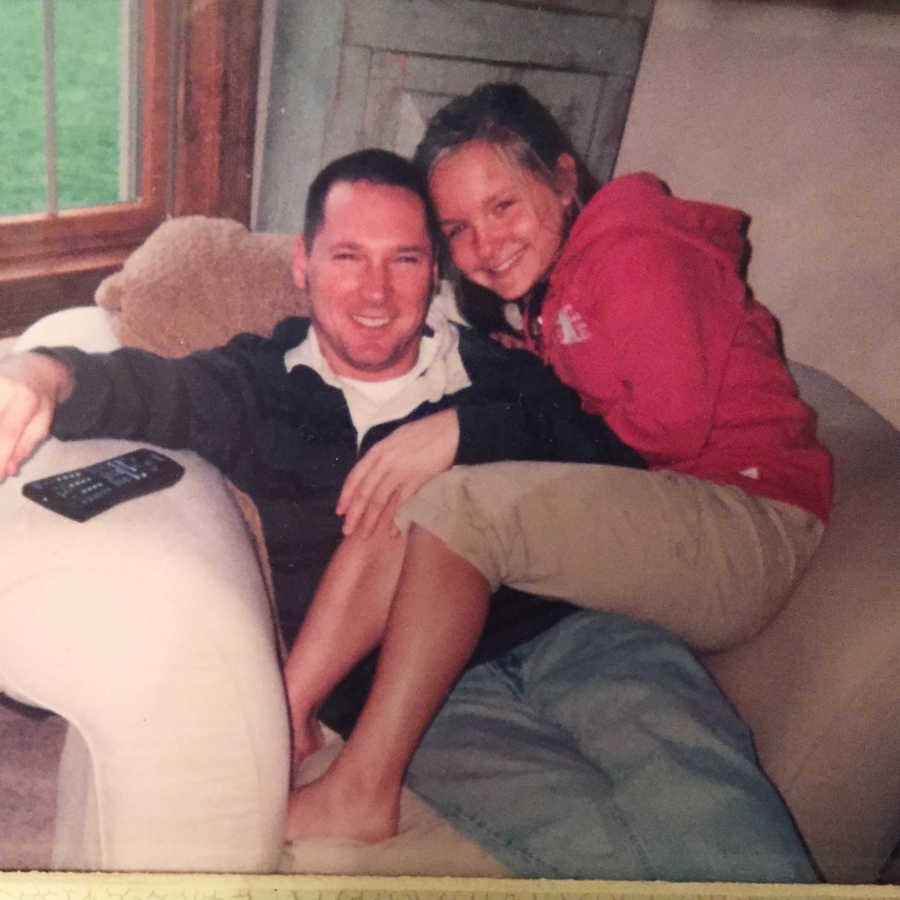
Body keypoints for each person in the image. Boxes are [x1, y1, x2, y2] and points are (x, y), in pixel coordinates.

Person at [0, 148, 816, 882]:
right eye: (348, 257)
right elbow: (136, 387)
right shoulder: (257, 385)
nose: (377, 292)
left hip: (584, 632)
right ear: (303, 263)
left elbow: (609, 457)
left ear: (435, 273)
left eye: (406, 260)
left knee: (705, 792)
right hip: (422, 693)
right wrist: (36, 376)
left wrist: (465, 432)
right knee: (591, 843)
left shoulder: (502, 371)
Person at [281, 83, 831, 879]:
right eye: (458, 230)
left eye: (504, 206)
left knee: (452, 503)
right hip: (686, 529)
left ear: (566, 181)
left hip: (746, 520)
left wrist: (474, 431)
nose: (485, 245)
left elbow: (663, 430)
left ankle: (362, 785)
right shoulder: (550, 299)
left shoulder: (632, 247)